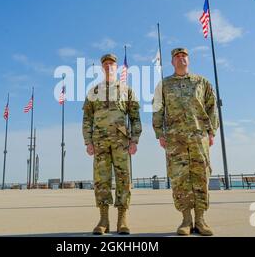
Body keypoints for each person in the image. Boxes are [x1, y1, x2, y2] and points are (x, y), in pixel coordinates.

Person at [152, 48, 219, 236]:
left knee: (201, 176)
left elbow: (212, 106)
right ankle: (186, 220)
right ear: (172, 62)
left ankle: (200, 219)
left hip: (199, 137)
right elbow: (157, 109)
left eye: (184, 56)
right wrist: (160, 133)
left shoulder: (202, 82)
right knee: (179, 178)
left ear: (188, 60)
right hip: (175, 139)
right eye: (177, 57)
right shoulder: (164, 85)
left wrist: (211, 131)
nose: (181, 59)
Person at [82, 53, 142, 235]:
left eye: (112, 64)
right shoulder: (93, 92)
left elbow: (135, 117)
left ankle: (122, 219)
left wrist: (135, 139)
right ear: (102, 68)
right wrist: (88, 141)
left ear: (117, 68)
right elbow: (86, 119)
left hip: (121, 143)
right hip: (100, 143)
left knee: (123, 179)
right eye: (106, 64)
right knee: (102, 181)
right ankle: (103, 219)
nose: (109, 67)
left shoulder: (127, 90)